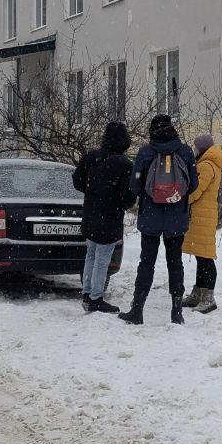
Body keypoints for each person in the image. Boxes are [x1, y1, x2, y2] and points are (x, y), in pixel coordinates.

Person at [119, 114, 198, 326]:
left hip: (150, 218)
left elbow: (135, 186)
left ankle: (137, 310)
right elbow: (193, 185)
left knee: (147, 263)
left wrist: (151, 195)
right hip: (176, 218)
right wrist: (175, 195)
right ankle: (176, 311)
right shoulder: (185, 151)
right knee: (175, 263)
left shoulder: (146, 152)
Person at [72, 122, 137, 314]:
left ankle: (87, 293)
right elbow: (128, 197)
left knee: (91, 254)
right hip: (110, 215)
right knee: (102, 258)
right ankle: (96, 298)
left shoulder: (91, 157)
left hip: (91, 212)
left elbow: (77, 180)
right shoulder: (125, 164)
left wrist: (93, 192)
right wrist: (116, 200)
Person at [182, 134, 222, 314]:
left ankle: (208, 298)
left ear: (202, 149)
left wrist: (182, 200)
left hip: (202, 215)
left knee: (206, 257)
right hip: (203, 215)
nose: (194, 150)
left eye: (196, 147)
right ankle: (199, 292)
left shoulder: (206, 166)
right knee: (202, 255)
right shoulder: (209, 164)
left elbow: (195, 190)